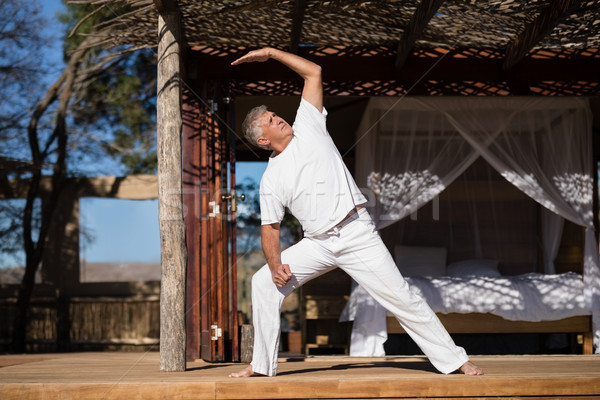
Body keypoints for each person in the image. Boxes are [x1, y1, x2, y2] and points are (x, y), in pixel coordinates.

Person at [229, 47, 483, 378]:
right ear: (264, 139)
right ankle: (261, 365)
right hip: (318, 244)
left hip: (356, 233)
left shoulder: (309, 126)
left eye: (276, 114)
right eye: (271, 121)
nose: (279, 118)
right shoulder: (271, 178)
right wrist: (276, 265)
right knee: (263, 281)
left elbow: (313, 72)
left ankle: (455, 360)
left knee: (402, 298)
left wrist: (271, 54)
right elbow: (270, 228)